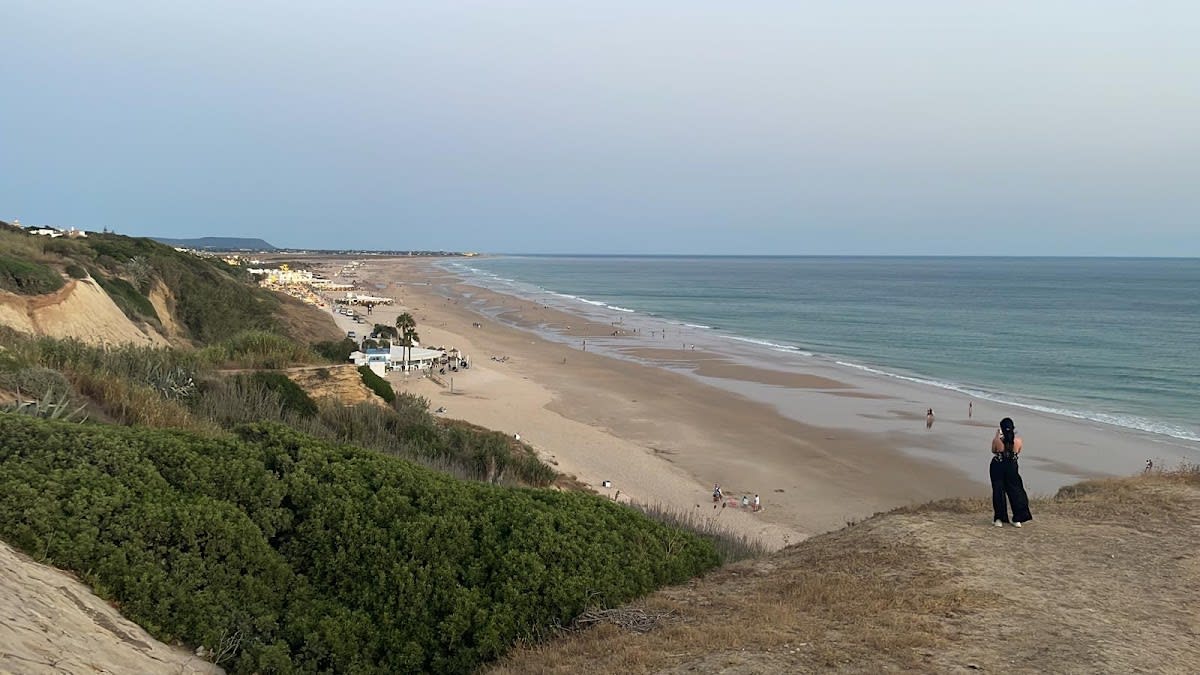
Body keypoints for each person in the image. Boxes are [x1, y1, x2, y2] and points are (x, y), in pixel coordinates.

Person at [990, 417, 1032, 527]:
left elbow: (994, 450)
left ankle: (999, 518)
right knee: (1016, 491)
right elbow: (1018, 451)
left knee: (998, 491)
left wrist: (997, 436)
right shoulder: (1018, 441)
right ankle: (1017, 518)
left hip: (998, 466)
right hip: (1012, 467)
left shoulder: (997, 441)